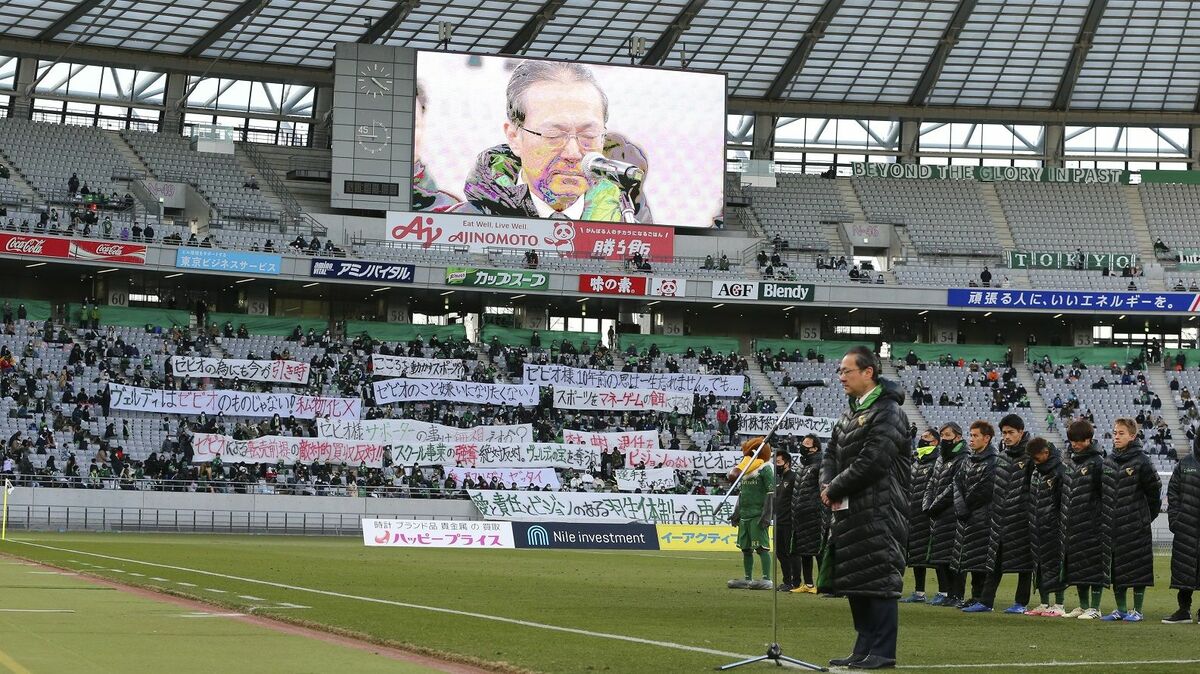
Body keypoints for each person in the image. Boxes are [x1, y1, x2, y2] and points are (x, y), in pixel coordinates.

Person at [457, 60, 652, 223]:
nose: (573, 153)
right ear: (514, 137)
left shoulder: (628, 220)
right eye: (553, 136)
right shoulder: (464, 223)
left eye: (589, 136)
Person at [820, 346, 910, 670]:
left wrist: (835, 487)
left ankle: (883, 651)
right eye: (840, 371)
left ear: (868, 372)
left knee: (880, 581)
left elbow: (873, 461)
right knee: (857, 581)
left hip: (881, 509)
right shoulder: (849, 414)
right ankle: (863, 648)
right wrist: (826, 485)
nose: (841, 376)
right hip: (851, 510)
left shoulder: (889, 412)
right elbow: (829, 455)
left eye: (847, 371)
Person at [1101, 418, 1161, 622]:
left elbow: (1154, 492)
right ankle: (1121, 609)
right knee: (1116, 569)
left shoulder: (1142, 461)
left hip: (1136, 526)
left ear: (1133, 436)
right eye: (1115, 433)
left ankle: (1138, 610)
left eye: (1121, 433)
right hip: (1112, 526)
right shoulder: (1107, 461)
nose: (1116, 436)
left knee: (1138, 567)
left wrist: (1144, 518)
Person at [979, 414, 1035, 614]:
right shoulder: (1002, 456)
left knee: (1024, 564)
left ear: (1021, 432)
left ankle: (1021, 603)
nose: (1007, 436)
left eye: (1011, 432)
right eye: (1004, 433)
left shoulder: (1030, 456)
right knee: (994, 560)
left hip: (1022, 518)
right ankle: (986, 601)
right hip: (1000, 517)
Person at [1060, 419, 1111, 620]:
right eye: (1072, 441)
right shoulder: (1070, 461)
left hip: (1093, 523)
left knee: (1094, 565)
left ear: (1089, 439)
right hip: (1072, 522)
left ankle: (1095, 607)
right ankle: (1082, 606)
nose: (1075, 444)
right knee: (1078, 565)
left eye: (1079, 441)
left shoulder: (1098, 463)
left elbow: (1104, 494)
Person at [955, 421, 999, 613]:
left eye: (975, 436)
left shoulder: (993, 461)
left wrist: (965, 505)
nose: (971, 439)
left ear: (986, 438)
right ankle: (974, 596)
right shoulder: (968, 460)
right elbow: (956, 483)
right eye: (970, 435)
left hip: (984, 516)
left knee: (981, 558)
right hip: (968, 516)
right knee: (971, 556)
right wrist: (961, 506)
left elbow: (985, 489)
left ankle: (981, 597)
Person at [923, 422, 968, 607]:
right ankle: (947, 592)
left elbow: (954, 486)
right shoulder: (941, 458)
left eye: (948, 435)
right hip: (939, 513)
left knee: (955, 556)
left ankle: (957, 594)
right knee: (941, 555)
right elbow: (931, 482)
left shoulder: (963, 457)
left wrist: (936, 504)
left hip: (953, 511)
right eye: (942, 436)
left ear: (958, 437)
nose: (944, 439)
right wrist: (927, 504)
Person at [1025, 436, 1068, 617]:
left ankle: (1059, 604)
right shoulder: (1036, 472)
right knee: (1040, 565)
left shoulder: (1060, 472)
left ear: (1046, 452)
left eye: (1036, 457)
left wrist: (1057, 522)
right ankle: (1044, 603)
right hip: (1037, 525)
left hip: (1055, 527)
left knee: (1055, 564)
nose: (1034, 462)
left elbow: (1063, 502)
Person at [727, 437, 774, 590]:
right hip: (745, 516)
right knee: (745, 548)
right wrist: (736, 513)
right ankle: (748, 579)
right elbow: (742, 494)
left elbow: (771, 493)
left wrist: (767, 515)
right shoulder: (745, 472)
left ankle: (767, 579)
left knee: (761, 548)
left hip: (757, 515)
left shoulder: (766, 469)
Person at [900, 428, 940, 603]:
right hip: (913, 513)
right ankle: (919, 592)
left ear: (936, 442)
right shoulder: (915, 461)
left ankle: (944, 592)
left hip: (929, 514)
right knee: (916, 554)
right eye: (922, 437)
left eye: (927, 437)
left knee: (936, 555)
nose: (922, 440)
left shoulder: (937, 461)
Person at [1164, 433, 1200, 623]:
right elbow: (1173, 492)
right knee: (1183, 569)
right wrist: (1175, 520)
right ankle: (1183, 610)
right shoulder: (1186, 464)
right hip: (1186, 528)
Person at [790, 434, 826, 594]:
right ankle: (808, 584)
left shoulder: (821, 465)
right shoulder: (801, 466)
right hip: (800, 514)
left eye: (806, 444)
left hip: (815, 513)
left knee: (818, 550)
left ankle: (824, 584)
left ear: (815, 448)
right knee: (804, 550)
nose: (802, 446)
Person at [772, 449, 800, 592]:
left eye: (778, 462)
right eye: (775, 462)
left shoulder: (794, 477)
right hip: (778, 522)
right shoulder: (779, 480)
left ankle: (796, 582)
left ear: (787, 463)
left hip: (789, 522)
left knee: (791, 553)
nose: (776, 465)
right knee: (780, 553)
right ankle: (787, 581)